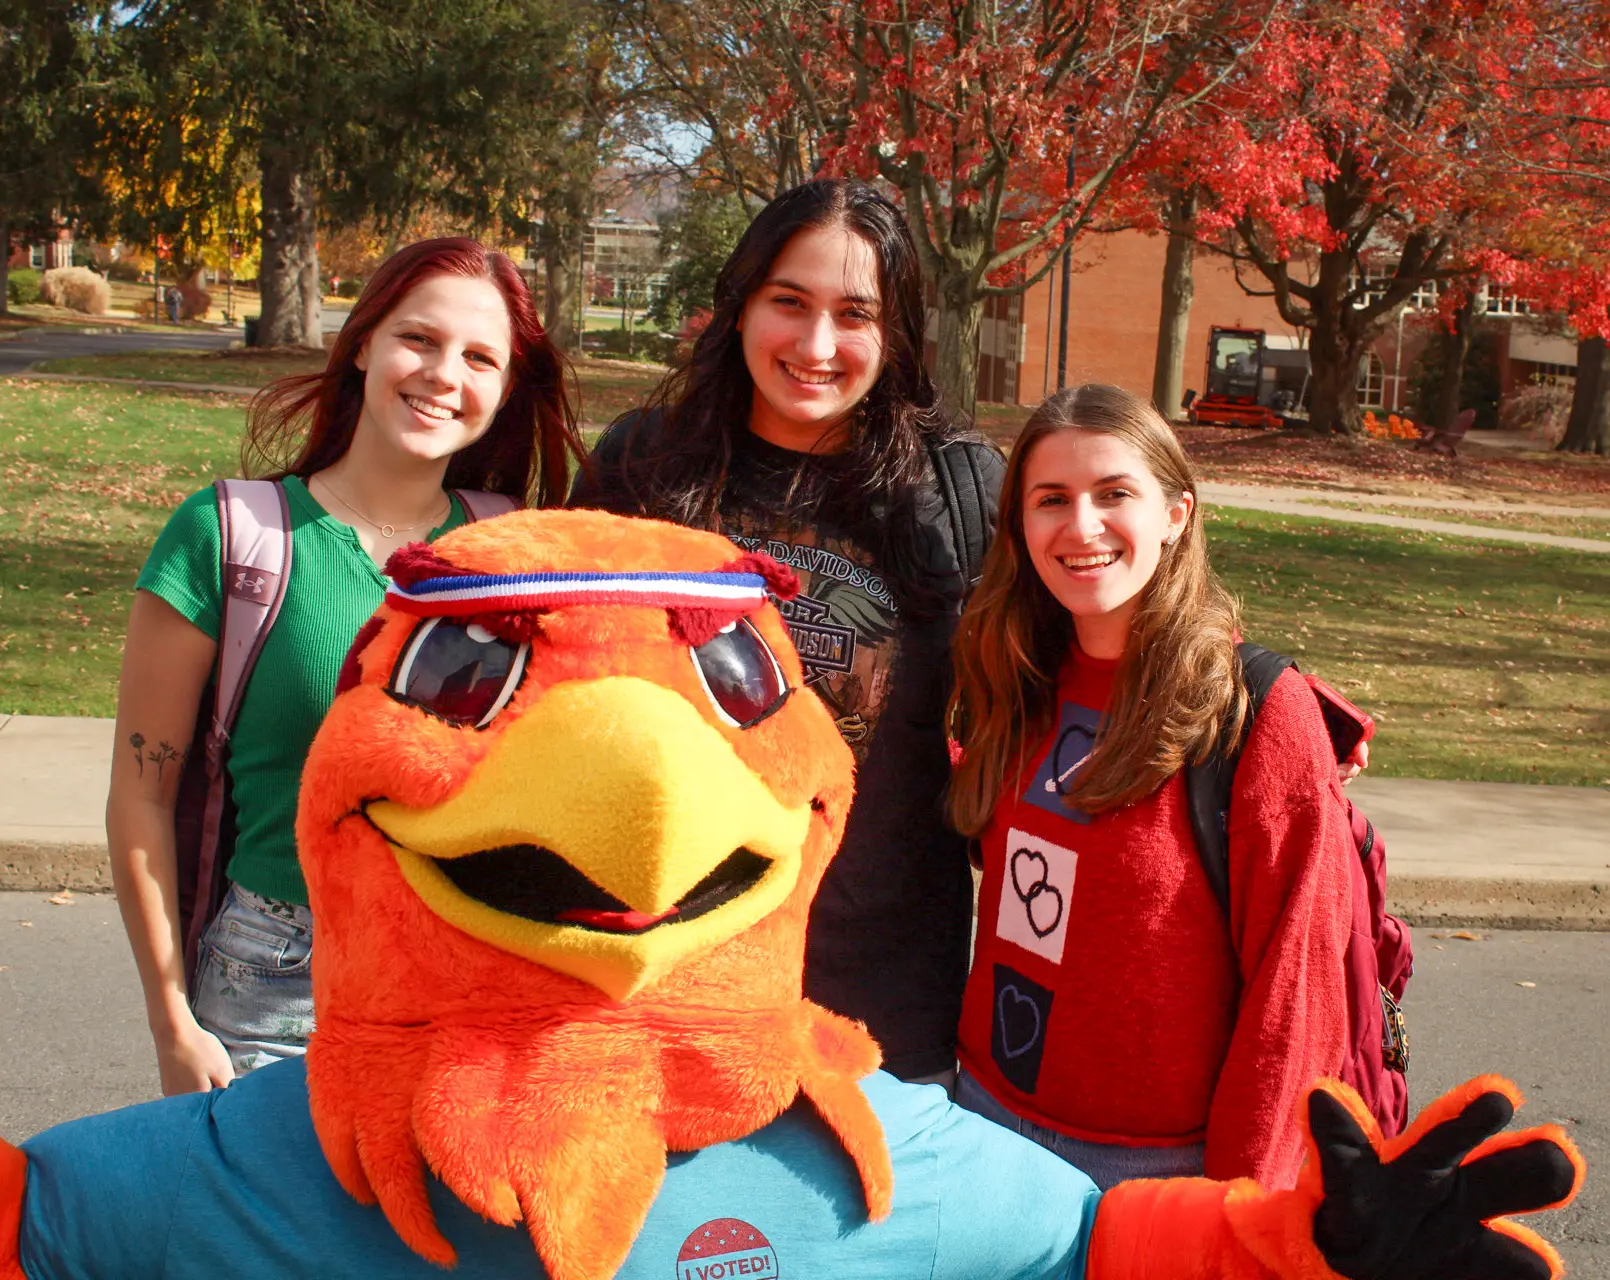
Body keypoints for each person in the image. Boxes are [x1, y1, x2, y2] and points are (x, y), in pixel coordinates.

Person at [107, 237, 582, 1096]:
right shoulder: (230, 536)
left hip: (470, 982)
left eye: (480, 358)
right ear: (363, 343)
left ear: (508, 387)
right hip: (273, 982)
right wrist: (171, 1020)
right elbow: (142, 796)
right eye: (419, 339)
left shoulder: (516, 553)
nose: (443, 374)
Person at [571, 178, 1004, 1089]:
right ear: (740, 306)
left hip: (880, 1009)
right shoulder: (640, 465)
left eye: (855, 314)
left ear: (895, 333)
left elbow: (1079, 666)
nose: (816, 346)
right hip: (665, 984)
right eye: (789, 303)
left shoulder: (961, 489)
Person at [948, 384, 1354, 1191]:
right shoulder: (1012, 676)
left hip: (1154, 1168)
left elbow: (1296, 993)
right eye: (1051, 499)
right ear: (1019, 525)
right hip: (984, 1122)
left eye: (1114, 494)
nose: (1081, 526)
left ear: (1175, 514)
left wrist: (1241, 1207)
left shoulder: (1254, 710)